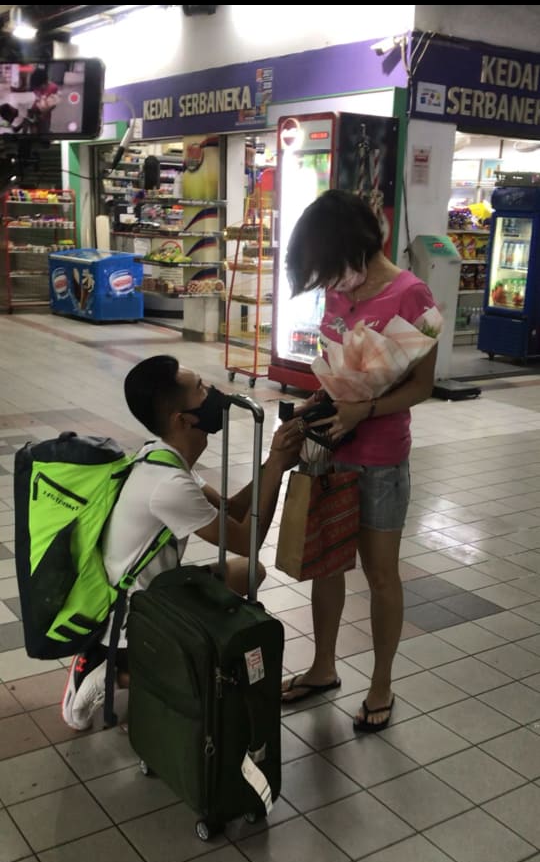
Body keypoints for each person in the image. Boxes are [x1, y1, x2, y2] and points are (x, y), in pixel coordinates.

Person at [62, 356, 303, 730]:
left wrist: (275, 462)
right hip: (135, 610)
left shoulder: (162, 457)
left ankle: (138, 659)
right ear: (183, 419)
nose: (215, 395)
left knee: (249, 574)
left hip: (158, 590)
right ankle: (107, 674)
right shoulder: (169, 486)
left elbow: (234, 510)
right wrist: (274, 469)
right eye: (202, 390)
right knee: (212, 671)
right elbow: (246, 537)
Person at [281, 190, 440, 733]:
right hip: (330, 448)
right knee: (324, 564)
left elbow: (422, 385)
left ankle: (381, 684)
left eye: (327, 267)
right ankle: (323, 668)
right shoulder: (337, 291)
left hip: (380, 457)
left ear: (354, 248)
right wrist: (317, 407)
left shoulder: (411, 295)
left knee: (380, 573)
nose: (326, 281)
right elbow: (333, 363)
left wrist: (365, 408)